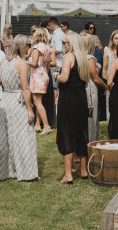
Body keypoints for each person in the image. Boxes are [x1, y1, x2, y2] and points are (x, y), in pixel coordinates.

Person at [0, 35, 38, 182]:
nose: (30, 47)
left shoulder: (3, 61)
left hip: (6, 100)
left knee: (4, 136)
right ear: (23, 47)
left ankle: (5, 170)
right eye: (28, 45)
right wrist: (30, 109)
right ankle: (24, 172)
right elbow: (25, 88)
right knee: (22, 136)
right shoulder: (22, 63)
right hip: (18, 102)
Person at [53, 32, 89, 184]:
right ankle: (83, 170)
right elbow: (86, 83)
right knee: (80, 132)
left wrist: (56, 75)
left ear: (72, 43)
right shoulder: (84, 58)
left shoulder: (68, 56)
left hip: (68, 99)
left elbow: (65, 77)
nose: (64, 45)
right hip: (81, 99)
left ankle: (68, 174)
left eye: (65, 43)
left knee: (66, 133)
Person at [27, 29, 55, 134]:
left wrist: (24, 62)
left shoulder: (37, 48)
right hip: (44, 75)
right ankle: (37, 125)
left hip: (37, 76)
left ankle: (46, 126)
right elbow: (47, 64)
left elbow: (34, 63)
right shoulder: (47, 48)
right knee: (39, 101)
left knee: (37, 102)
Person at [79, 32, 106, 142]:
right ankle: (91, 142)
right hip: (90, 89)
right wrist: (106, 86)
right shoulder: (90, 58)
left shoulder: (77, 57)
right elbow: (95, 78)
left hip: (81, 89)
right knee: (91, 118)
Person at [102, 30, 118, 122]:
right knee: (111, 103)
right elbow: (104, 68)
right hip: (110, 81)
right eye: (116, 38)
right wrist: (105, 83)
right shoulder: (107, 51)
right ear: (112, 40)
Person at [47, 17, 64, 127]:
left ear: (52, 25)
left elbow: (58, 49)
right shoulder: (59, 33)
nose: (49, 28)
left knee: (55, 88)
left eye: (49, 26)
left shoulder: (57, 35)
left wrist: (48, 52)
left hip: (57, 64)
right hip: (59, 63)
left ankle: (55, 112)